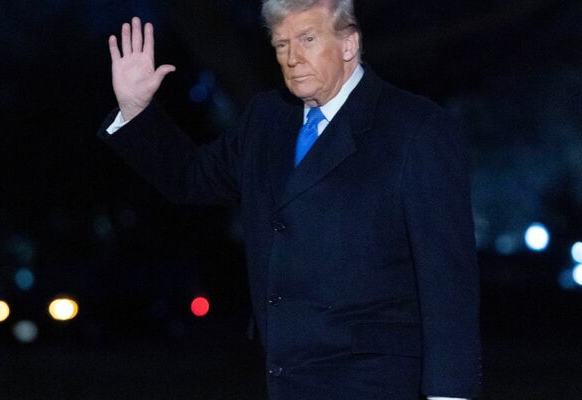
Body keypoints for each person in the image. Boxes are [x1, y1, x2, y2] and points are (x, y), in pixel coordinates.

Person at [98, 1, 480, 399]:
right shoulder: (267, 118)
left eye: (307, 39)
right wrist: (136, 109)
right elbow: (190, 178)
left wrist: (449, 393)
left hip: (374, 381)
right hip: (282, 377)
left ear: (349, 44)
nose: (292, 58)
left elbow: (448, 277)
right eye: (281, 45)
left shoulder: (415, 127)